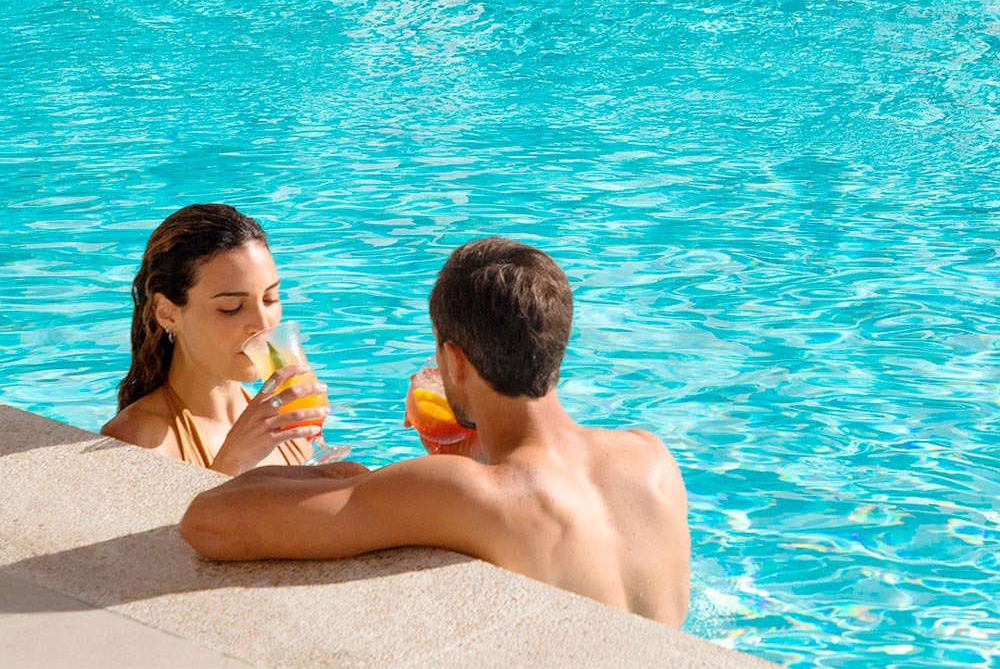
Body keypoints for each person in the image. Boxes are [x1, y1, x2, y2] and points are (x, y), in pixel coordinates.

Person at [180, 237, 690, 625]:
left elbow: (209, 522)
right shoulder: (650, 458)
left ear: (454, 360)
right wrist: (472, 452)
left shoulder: (463, 491)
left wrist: (351, 475)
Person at [101, 203, 327, 475]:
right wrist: (232, 463)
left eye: (270, 299)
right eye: (232, 308)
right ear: (167, 313)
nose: (262, 324)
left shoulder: (282, 421)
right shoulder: (138, 440)